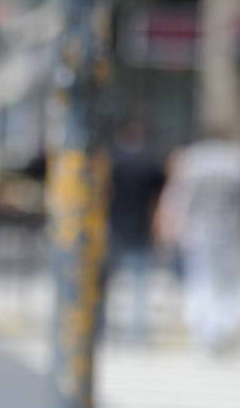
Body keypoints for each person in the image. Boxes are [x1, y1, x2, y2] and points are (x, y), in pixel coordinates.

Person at [156, 132, 240, 353]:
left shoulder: (192, 162)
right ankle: (221, 329)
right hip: (228, 233)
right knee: (226, 284)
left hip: (199, 233)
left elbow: (177, 201)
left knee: (201, 281)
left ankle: (205, 330)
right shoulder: (237, 162)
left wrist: (171, 230)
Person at [104, 119, 166, 342]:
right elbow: (159, 198)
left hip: (115, 224)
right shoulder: (149, 163)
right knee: (139, 283)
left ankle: (103, 327)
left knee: (107, 281)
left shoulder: (113, 161)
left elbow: (105, 193)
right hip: (140, 225)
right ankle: (138, 332)